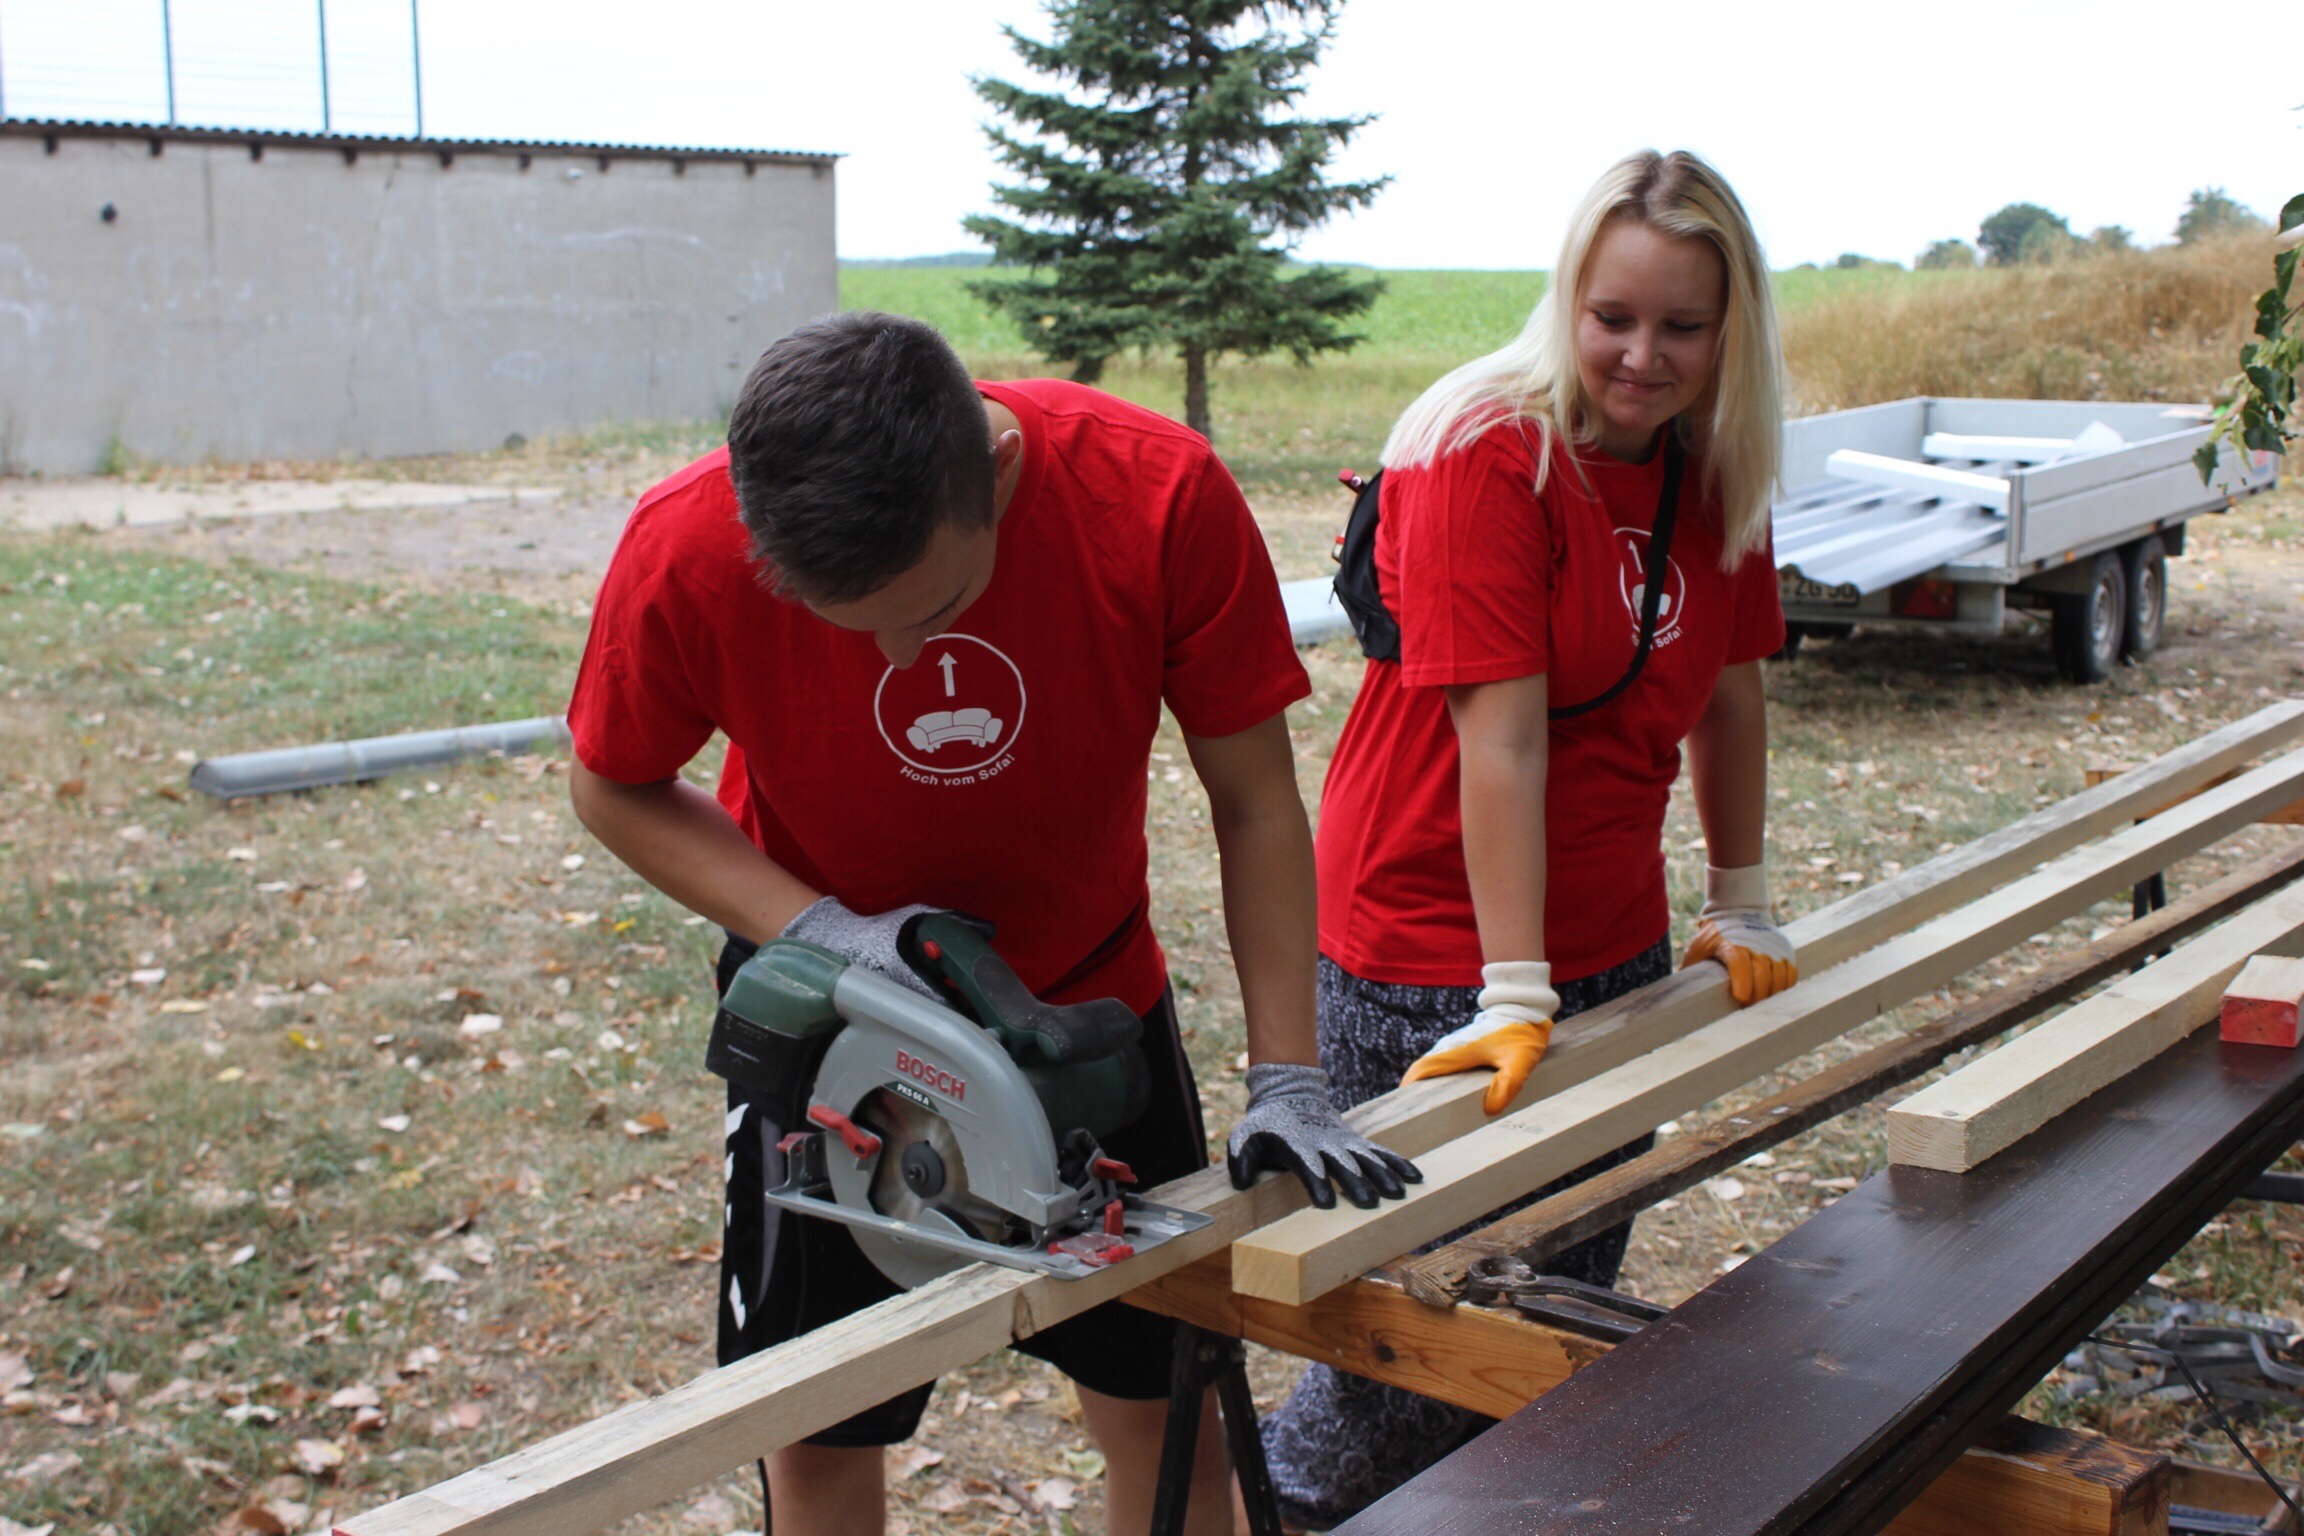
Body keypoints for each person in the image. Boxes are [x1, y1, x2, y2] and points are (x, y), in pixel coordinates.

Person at [564, 310, 1417, 1536]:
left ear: (998, 474)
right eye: (850, 621)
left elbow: (1256, 803)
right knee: (812, 1434)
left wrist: (1288, 1075)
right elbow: (612, 784)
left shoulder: (1154, 495)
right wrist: (823, 933)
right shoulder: (686, 539)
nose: (900, 651)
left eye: (936, 604)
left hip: (1086, 1009)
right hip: (834, 1035)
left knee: (1175, 1432)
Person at [1259, 149, 1797, 1527]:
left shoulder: (1718, 463)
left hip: (1612, 938)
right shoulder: (1485, 448)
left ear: (1732, 330)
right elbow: (1499, 739)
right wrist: (1512, 992)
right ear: (1567, 300)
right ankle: (1284, 1510)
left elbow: (1731, 694)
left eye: (1682, 326)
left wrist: (1739, 896)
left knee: (1553, 1315)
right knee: (1410, 1354)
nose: (1642, 357)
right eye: (1613, 317)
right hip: (1435, 947)